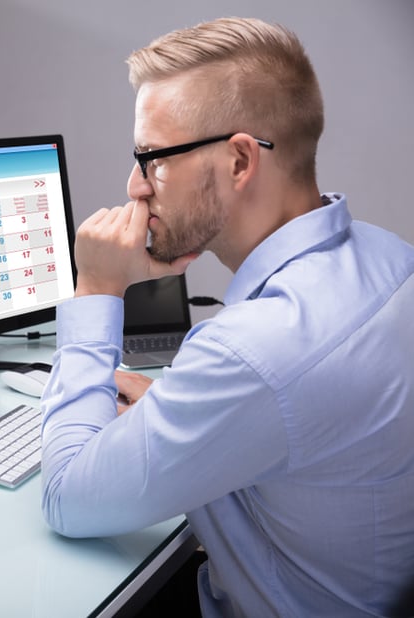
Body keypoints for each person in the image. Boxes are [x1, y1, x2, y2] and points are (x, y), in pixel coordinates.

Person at [40, 17, 414, 617]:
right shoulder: (391, 258)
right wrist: (178, 408)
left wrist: (98, 289)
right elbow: (286, 415)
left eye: (153, 158)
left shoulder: (254, 354)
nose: (134, 186)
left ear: (240, 161)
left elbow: (64, 497)